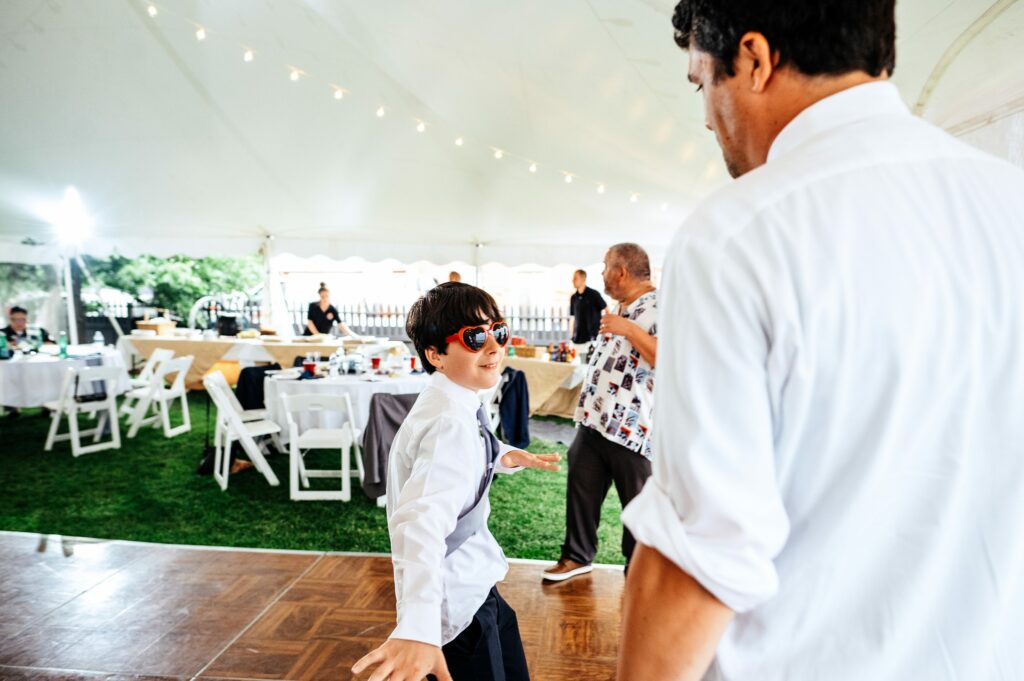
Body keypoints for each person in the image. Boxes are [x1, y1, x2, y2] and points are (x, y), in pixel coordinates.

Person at [617, 2, 1024, 680]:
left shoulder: (737, 237)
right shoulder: (1013, 204)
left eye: (701, 83)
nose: (707, 117)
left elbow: (698, 562)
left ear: (753, 58)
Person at [352, 282, 561, 681]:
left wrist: (502, 455)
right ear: (435, 354)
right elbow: (421, 525)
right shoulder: (448, 421)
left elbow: (463, 452)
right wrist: (417, 628)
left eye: (497, 331)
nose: (494, 347)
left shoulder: (454, 401)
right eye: (473, 337)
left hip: (477, 583)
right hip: (456, 598)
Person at [543, 244, 657, 582]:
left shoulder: (664, 306)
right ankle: (577, 556)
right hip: (595, 420)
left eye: (606, 266)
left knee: (637, 505)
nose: (603, 273)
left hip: (634, 428)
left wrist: (630, 330)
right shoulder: (619, 307)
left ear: (621, 271)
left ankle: (638, 569)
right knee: (581, 488)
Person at [567, 269, 606, 353]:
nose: (573, 280)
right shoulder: (573, 297)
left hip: (592, 339)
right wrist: (572, 335)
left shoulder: (594, 294)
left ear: (583, 279)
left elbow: (607, 310)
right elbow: (574, 318)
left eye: (575, 278)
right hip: (577, 339)